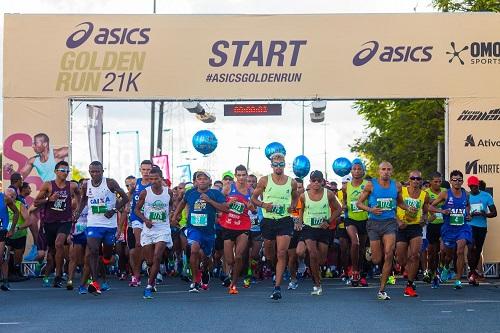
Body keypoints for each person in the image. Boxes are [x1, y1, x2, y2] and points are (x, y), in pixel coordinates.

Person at [356, 161, 414, 300]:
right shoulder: (371, 185)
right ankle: (371, 251)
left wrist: (407, 208)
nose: (386, 172)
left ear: (391, 171)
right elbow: (358, 203)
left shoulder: (397, 185)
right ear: (379, 171)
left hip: (389, 222)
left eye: (388, 169)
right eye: (383, 169)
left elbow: (399, 202)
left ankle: (381, 290)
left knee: (389, 254)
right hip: (374, 223)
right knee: (376, 259)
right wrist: (371, 209)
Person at [75, 161, 128, 295]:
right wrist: (77, 213)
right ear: (89, 172)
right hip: (93, 223)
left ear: (102, 171)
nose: (95, 174)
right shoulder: (87, 185)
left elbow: (125, 198)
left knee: (106, 256)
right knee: (93, 251)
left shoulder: (110, 183)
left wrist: (113, 210)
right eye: (92, 171)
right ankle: (95, 282)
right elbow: (83, 200)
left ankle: (106, 264)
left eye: (97, 171)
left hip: (109, 225)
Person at [251, 153, 298, 300]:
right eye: (275, 164)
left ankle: (277, 287)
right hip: (268, 221)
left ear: (285, 165)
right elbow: (253, 198)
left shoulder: (291, 182)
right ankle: (273, 266)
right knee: (271, 253)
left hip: (284, 220)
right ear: (271, 165)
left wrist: (292, 206)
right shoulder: (265, 180)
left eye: (281, 164)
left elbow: (296, 196)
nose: (278, 167)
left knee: (282, 253)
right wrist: (264, 204)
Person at [172, 171, 227, 293]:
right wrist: (176, 215)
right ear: (195, 182)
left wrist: (209, 201)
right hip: (193, 228)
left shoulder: (215, 193)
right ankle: (195, 281)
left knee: (206, 257)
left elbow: (225, 208)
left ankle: (205, 270)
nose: (202, 180)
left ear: (210, 181)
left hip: (208, 231)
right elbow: (182, 203)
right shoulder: (190, 193)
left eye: (204, 179)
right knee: (194, 250)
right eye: (199, 179)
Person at [34, 161, 80, 288]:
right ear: (55, 171)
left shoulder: (72, 186)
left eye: (67, 171)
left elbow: (79, 195)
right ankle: (51, 273)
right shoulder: (48, 185)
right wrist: (49, 199)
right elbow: (36, 202)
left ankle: (58, 275)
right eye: (62, 170)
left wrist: (77, 210)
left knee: (59, 244)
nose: (65, 173)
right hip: (49, 223)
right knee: (52, 251)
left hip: (65, 221)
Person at [299, 170, 341, 296]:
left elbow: (339, 208)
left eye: (319, 180)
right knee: (312, 253)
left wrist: (328, 221)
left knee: (321, 260)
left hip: (323, 229)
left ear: (322, 181)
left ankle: (315, 270)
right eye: (313, 180)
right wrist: (300, 223)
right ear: (310, 182)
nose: (316, 183)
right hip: (309, 228)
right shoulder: (303, 196)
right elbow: (300, 211)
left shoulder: (328, 194)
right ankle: (317, 284)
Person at [134, 166, 173, 299]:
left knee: (157, 257)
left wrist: (172, 216)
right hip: (149, 230)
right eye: (151, 179)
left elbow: (171, 205)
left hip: (163, 229)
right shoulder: (145, 192)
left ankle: (149, 286)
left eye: (156, 179)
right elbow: (136, 210)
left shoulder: (169, 192)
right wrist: (145, 220)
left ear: (161, 178)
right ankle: (153, 276)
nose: (153, 181)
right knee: (150, 261)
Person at [429, 170, 471, 290]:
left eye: (459, 180)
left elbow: (467, 205)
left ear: (462, 181)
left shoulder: (466, 194)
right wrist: (442, 211)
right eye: (454, 180)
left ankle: (458, 279)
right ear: (451, 181)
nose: (457, 182)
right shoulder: (445, 194)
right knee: (448, 255)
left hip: (462, 227)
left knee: (460, 251)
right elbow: (431, 207)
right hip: (448, 229)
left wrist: (468, 214)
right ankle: (446, 266)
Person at [220, 165, 255, 295]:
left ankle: (233, 284)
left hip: (243, 226)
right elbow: (220, 204)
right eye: (239, 175)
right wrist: (228, 204)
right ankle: (231, 273)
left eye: (243, 175)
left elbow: (255, 209)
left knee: (239, 256)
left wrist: (251, 207)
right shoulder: (229, 187)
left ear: (246, 175)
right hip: (228, 226)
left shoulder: (251, 191)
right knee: (230, 260)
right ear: (236, 176)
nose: (241, 178)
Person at [395, 170, 430, 297]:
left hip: (415, 227)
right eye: (413, 178)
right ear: (409, 179)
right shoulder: (401, 191)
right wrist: (398, 222)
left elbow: (425, 212)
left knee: (414, 256)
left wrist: (423, 219)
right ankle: (402, 267)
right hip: (401, 227)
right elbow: (392, 208)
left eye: (418, 179)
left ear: (421, 181)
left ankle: (410, 285)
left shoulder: (424, 195)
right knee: (401, 259)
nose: (415, 181)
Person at [466, 176, 496, 286]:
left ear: (478, 186)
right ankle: (471, 272)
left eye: (475, 186)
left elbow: (494, 213)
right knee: (471, 247)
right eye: (471, 186)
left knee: (477, 250)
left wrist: (484, 214)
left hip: (481, 226)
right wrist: (469, 215)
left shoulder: (486, 196)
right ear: (469, 186)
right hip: (470, 225)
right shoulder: (467, 197)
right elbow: (463, 212)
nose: (473, 188)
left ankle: (473, 272)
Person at [343, 161, 369, 287]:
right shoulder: (346, 186)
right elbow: (344, 199)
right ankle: (354, 271)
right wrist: (344, 206)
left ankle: (362, 273)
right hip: (351, 219)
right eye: (354, 169)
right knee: (355, 242)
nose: (357, 171)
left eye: (359, 169)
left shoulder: (368, 185)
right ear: (351, 171)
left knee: (362, 249)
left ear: (363, 171)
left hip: (364, 219)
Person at [128, 161, 152, 287]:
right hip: (136, 217)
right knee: (138, 244)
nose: (146, 172)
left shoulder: (155, 184)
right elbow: (129, 196)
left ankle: (148, 266)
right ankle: (136, 275)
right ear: (140, 170)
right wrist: (126, 206)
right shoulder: (135, 183)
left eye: (148, 169)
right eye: (144, 169)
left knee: (147, 247)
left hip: (150, 219)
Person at [424, 172, 446, 288]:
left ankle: (440, 270)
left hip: (444, 224)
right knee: (432, 252)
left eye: (439, 181)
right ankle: (432, 272)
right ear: (430, 182)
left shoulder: (444, 191)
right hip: (432, 224)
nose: (438, 184)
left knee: (443, 250)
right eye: (435, 181)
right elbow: (425, 206)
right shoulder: (426, 192)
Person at [0, 190, 19, 291]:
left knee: (2, 257)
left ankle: (5, 281)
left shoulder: (4, 198)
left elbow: (16, 212)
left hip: (2, 232)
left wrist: (11, 229)